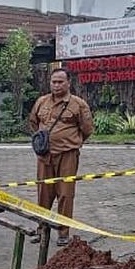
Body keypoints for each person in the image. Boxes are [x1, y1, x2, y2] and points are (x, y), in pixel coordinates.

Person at [27, 69, 93, 245]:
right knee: (43, 194)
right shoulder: (41, 102)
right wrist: (42, 140)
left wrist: (71, 141)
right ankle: (42, 229)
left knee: (65, 194)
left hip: (67, 155)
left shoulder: (78, 105)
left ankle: (63, 233)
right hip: (45, 156)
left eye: (60, 82)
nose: (56, 85)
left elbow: (87, 129)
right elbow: (33, 122)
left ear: (68, 83)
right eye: (53, 82)